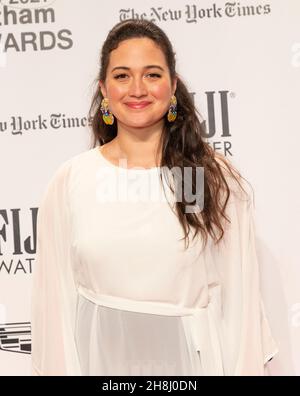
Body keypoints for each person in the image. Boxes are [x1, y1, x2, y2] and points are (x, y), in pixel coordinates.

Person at [30, 19, 278, 376]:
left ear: (173, 85)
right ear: (104, 88)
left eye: (152, 74)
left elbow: (239, 302)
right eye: (121, 75)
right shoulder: (72, 180)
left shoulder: (206, 177)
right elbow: (55, 307)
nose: (137, 89)